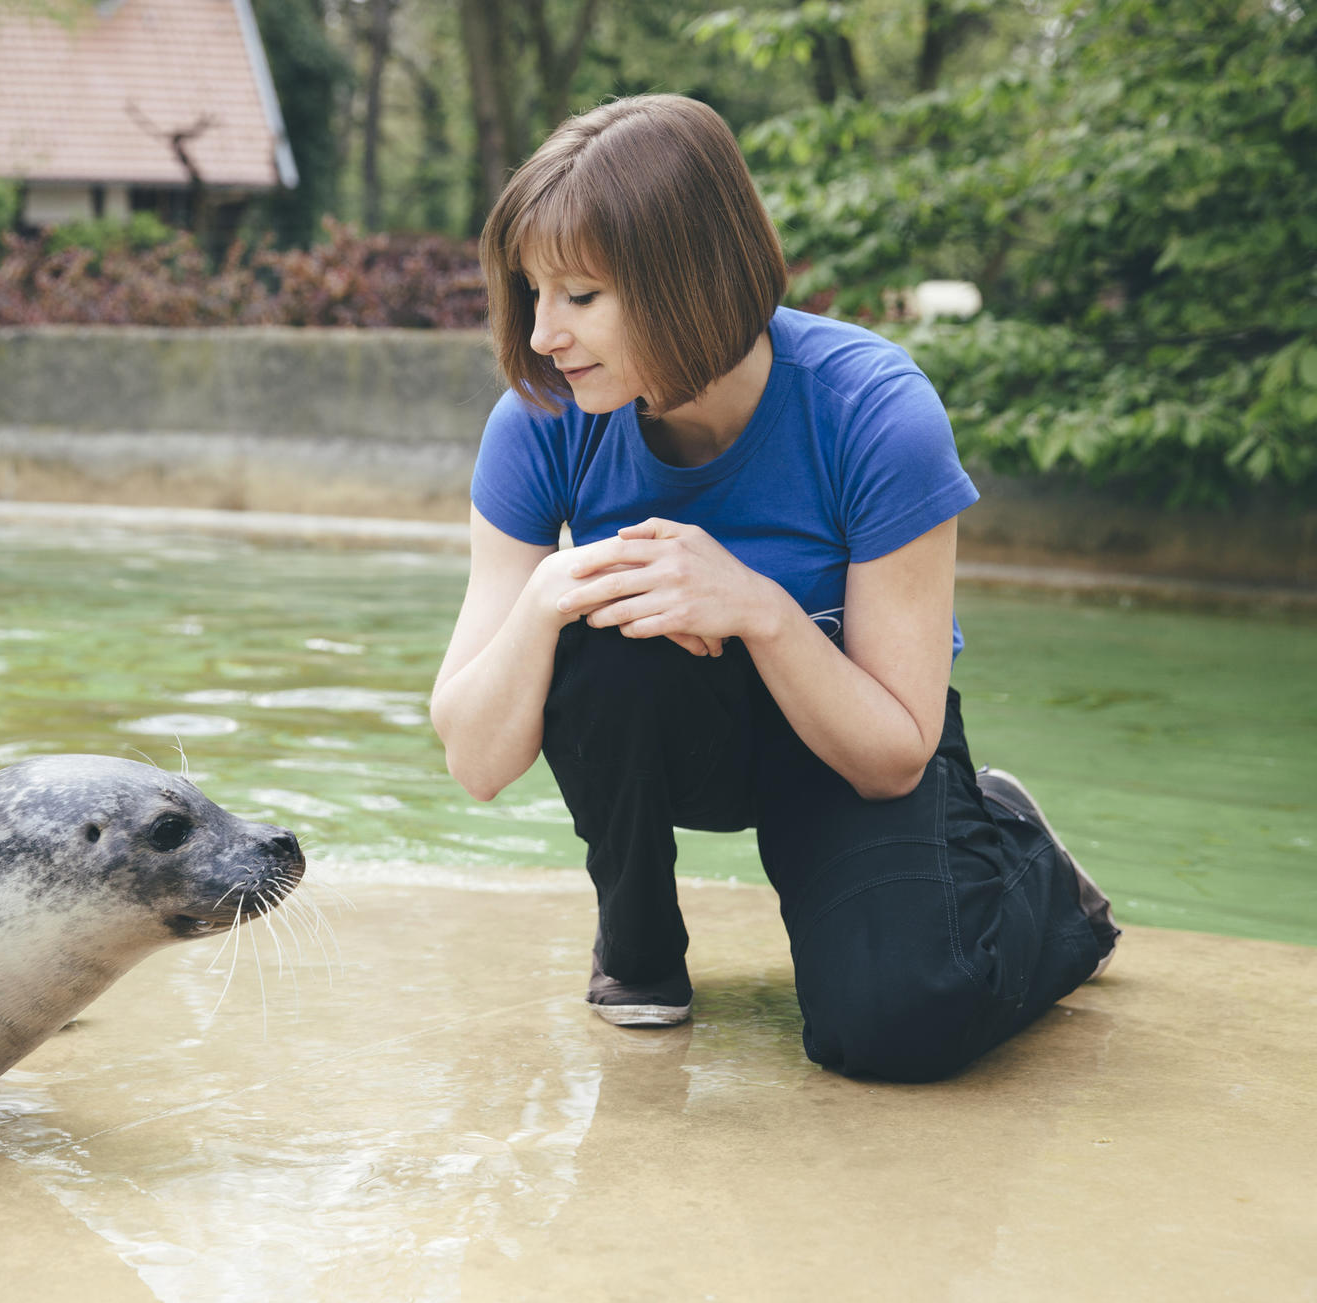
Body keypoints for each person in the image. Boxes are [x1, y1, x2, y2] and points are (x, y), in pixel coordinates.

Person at [429, 94, 1120, 1083]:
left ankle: (1026, 873)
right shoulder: (538, 421)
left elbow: (888, 755)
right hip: (673, 729)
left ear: (687, 282)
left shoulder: (874, 412)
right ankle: (636, 949)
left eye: (578, 296)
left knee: (893, 1031)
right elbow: (476, 761)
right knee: (591, 627)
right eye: (531, 293)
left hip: (843, 739)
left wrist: (758, 609)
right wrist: (544, 599)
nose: (542, 335)